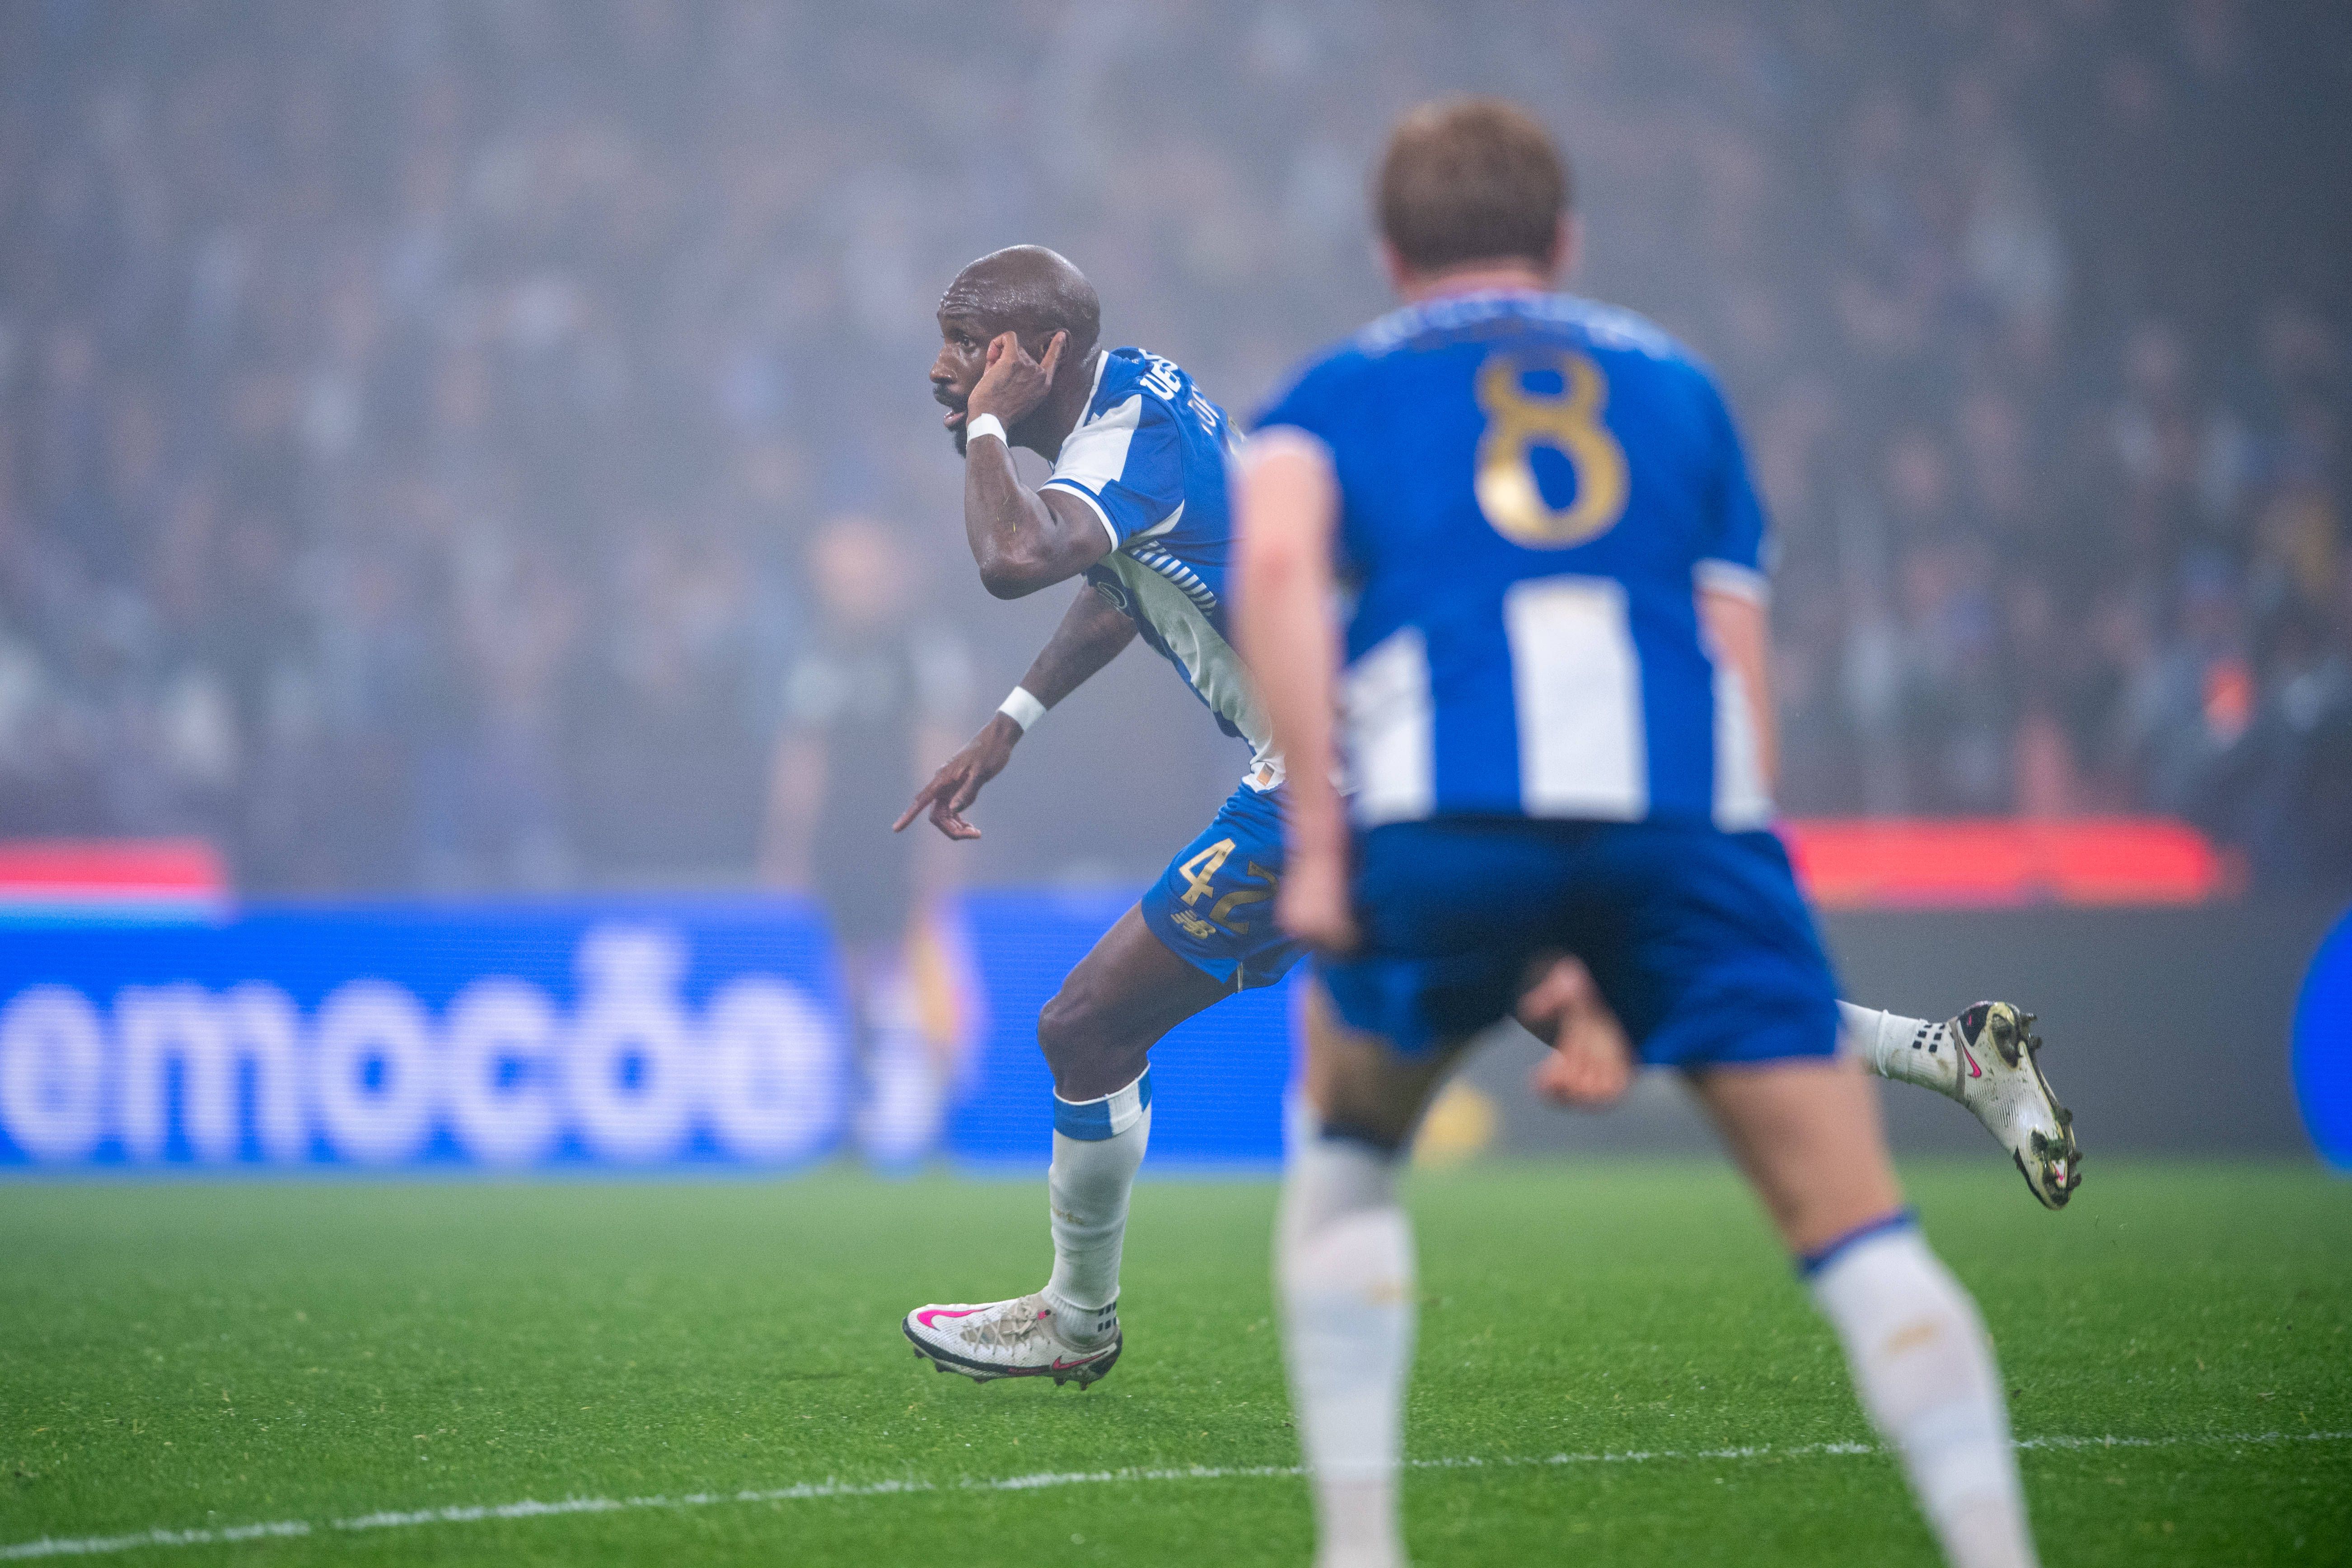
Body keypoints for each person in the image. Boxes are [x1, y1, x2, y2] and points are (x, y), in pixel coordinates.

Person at [896, 243, 2076, 1390]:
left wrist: (991, 428)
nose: (946, 371)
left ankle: (1077, 1321)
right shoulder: (1137, 403)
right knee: (1586, 1010)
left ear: (1038, 356)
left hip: (1332, 790)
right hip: (1407, 759)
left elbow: (1015, 555)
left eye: (969, 347)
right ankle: (1947, 1053)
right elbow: (1121, 585)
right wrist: (1011, 722)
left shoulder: (1119, 441)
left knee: (1088, 1027)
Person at [1234, 99, 2040, 1568]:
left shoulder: (1327, 394)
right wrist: (1706, 876)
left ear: (1385, 250)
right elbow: (1737, 654)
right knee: (1859, 1231)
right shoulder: (1679, 389)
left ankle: (1357, 1553)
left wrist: (1313, 840)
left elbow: (1275, 564)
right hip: (1685, 825)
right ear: (1563, 244)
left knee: (1347, 1144)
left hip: (1444, 814)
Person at [763, 515, 975, 1167]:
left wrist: (939, 838)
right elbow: (804, 755)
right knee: (852, 977)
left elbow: (938, 745)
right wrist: (787, 843)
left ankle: (939, 1123)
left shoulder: (919, 647)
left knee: (923, 967)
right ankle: (856, 1120)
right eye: (838, 576)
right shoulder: (820, 650)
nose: (850, 588)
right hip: (843, 839)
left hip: (904, 835)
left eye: (861, 573)